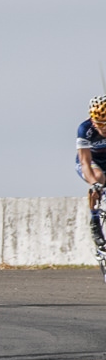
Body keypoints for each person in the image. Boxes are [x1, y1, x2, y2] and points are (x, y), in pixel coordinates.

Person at [76, 95, 106, 249]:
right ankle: (95, 222)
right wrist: (94, 184)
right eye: (100, 124)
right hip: (92, 163)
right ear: (93, 121)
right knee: (99, 177)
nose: (104, 129)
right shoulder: (85, 129)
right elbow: (85, 162)